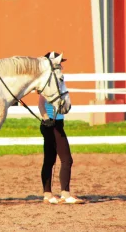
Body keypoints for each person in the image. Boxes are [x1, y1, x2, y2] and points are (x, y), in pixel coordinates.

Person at [38, 52, 84, 204]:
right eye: (59, 62)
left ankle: (48, 194)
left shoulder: (54, 81)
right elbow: (40, 104)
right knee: (66, 159)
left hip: (55, 122)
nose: (61, 64)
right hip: (52, 123)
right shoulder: (49, 83)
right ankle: (65, 194)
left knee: (50, 159)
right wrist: (46, 119)